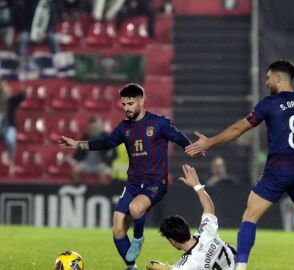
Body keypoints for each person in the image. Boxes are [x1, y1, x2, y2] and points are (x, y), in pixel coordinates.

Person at [186, 60, 294, 270]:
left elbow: (238, 129)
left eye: (269, 77)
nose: (266, 81)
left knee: (250, 216)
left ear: (278, 78)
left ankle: (241, 266)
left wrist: (210, 142)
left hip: (279, 167)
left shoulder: (269, 103)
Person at [58, 83, 193, 270]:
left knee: (136, 208)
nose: (127, 108)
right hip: (133, 184)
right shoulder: (124, 128)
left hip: (156, 183)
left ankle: (138, 238)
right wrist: (76, 144)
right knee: (118, 229)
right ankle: (131, 267)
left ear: (141, 101)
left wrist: (195, 148)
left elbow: (180, 138)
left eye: (130, 104)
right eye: (124, 104)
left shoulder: (159, 123)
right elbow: (106, 143)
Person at [146, 164, 236, 270]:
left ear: (172, 241)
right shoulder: (206, 233)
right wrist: (197, 185)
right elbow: (209, 209)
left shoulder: (188, 264)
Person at [68, 116, 117, 184]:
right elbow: (80, 151)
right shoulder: (86, 136)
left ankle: (102, 192)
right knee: (75, 170)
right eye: (91, 126)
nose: (93, 127)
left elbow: (112, 153)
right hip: (87, 163)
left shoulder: (106, 137)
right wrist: (74, 158)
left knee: (102, 174)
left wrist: (107, 163)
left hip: (101, 163)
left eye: (94, 126)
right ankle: (78, 189)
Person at [1, 80, 25, 176]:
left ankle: (11, 163)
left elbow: (21, 97)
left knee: (11, 140)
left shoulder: (11, 101)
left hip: (9, 126)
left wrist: (22, 90)